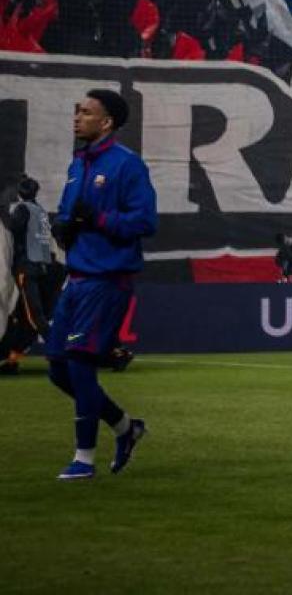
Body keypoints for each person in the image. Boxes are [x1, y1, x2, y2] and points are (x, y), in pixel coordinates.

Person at [45, 89, 156, 479]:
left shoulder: (128, 166)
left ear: (106, 122)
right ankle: (126, 427)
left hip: (107, 278)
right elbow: (69, 212)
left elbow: (145, 222)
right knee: (58, 368)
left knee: (78, 363)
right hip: (75, 277)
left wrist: (100, 220)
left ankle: (83, 458)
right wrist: (63, 227)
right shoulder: (78, 164)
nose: (77, 117)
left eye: (86, 112)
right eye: (77, 110)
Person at [3, 176, 56, 375]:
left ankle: (59, 353)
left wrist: (3, 212)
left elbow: (13, 228)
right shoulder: (40, 211)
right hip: (41, 266)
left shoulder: (23, 209)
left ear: (19, 192)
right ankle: (12, 360)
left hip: (27, 266)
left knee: (34, 316)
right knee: (24, 316)